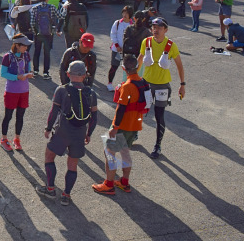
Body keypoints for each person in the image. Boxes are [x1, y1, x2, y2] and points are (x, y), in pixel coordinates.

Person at [37, 61, 98, 206]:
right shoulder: (91, 93)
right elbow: (94, 117)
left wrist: (48, 128)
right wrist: (88, 133)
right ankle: (66, 195)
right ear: (84, 75)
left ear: (69, 74)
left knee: (49, 156)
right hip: (80, 133)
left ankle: (50, 189)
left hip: (62, 131)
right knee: (72, 164)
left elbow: (53, 112)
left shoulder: (62, 90)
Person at [92, 55, 150, 195]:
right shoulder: (143, 83)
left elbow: (121, 109)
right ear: (137, 67)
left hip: (122, 126)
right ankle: (124, 182)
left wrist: (114, 127)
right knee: (125, 153)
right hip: (135, 125)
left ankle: (109, 185)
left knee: (109, 153)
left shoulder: (127, 86)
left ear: (123, 68)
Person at [138, 17, 186, 159]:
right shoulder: (146, 42)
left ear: (166, 30)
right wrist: (131, 78)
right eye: (154, 27)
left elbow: (179, 66)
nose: (156, 30)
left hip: (162, 86)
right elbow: (140, 60)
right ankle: (133, 134)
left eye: (159, 28)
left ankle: (157, 145)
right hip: (146, 84)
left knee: (159, 116)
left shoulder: (171, 45)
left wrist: (182, 85)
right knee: (138, 112)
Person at [0, 35, 34, 152]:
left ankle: (17, 139)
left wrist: (30, 73)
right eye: (24, 45)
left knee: (20, 116)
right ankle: (4, 139)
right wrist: (17, 77)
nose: (26, 47)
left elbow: (29, 69)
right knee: (8, 116)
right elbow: (3, 73)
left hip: (24, 90)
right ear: (17, 45)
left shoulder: (26, 55)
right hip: (11, 91)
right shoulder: (7, 57)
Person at [31, 0, 63, 79]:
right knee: (47, 53)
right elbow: (60, 16)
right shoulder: (52, 7)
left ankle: (35, 71)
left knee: (37, 52)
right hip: (49, 34)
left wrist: (35, 32)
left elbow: (32, 22)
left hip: (38, 34)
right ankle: (46, 73)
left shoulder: (35, 8)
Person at [107, 6, 134, 91]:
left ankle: (126, 84)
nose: (124, 15)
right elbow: (113, 34)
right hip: (117, 50)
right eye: (123, 12)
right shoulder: (117, 23)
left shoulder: (132, 25)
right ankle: (110, 83)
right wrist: (117, 45)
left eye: (127, 13)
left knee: (128, 68)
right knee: (114, 66)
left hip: (128, 51)